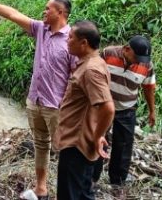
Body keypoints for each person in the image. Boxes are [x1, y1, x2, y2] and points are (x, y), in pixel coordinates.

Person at [0, 0, 76, 199]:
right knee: (40, 145)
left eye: (48, 9)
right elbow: (12, 14)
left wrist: (66, 103)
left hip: (57, 106)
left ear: (60, 13)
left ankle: (67, 193)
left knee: (64, 150)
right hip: (35, 100)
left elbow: (75, 76)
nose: (44, 12)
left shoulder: (71, 39)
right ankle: (41, 188)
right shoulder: (41, 29)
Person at [55, 21, 114, 200]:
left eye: (71, 37)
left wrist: (98, 136)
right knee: (82, 192)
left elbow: (108, 108)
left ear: (84, 43)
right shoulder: (95, 63)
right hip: (77, 141)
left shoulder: (91, 70)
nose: (67, 40)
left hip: (77, 144)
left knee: (71, 194)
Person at [93, 35, 157, 197]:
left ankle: (117, 182)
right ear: (126, 49)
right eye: (136, 57)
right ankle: (92, 178)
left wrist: (152, 111)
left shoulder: (146, 65)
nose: (138, 61)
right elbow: (94, 74)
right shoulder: (108, 54)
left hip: (127, 109)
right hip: (103, 106)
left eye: (142, 59)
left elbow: (148, 88)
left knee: (124, 146)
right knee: (98, 139)